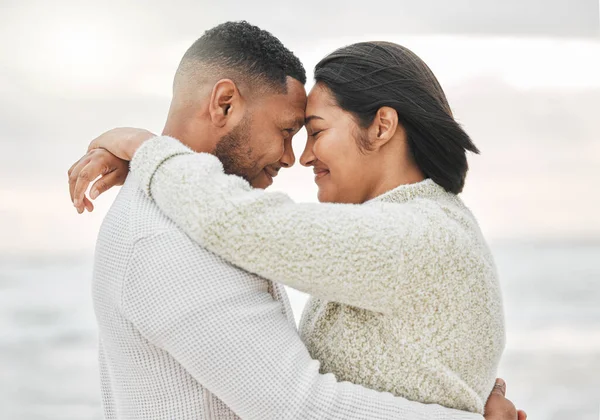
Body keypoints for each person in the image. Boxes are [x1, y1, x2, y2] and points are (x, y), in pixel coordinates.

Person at [69, 22, 525, 420]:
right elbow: (299, 408)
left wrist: (147, 149)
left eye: (314, 132)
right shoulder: (164, 237)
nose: (297, 157)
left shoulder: (423, 233)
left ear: (382, 127)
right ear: (224, 104)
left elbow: (247, 224)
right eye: (290, 132)